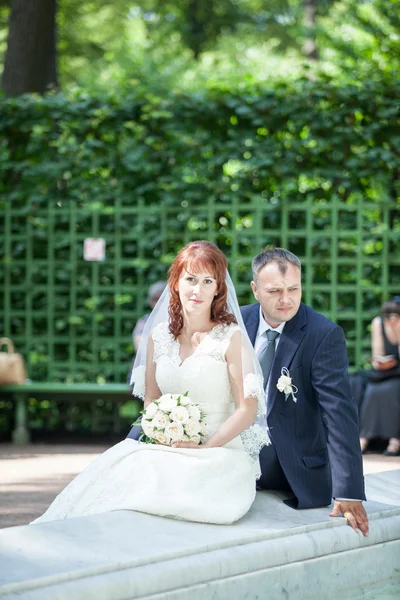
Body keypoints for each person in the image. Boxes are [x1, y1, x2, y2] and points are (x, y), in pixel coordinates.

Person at [31, 241, 269, 526]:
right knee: (114, 473)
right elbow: (151, 403)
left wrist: (205, 448)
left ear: (219, 288)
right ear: (176, 283)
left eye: (208, 281)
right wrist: (166, 436)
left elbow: (247, 408)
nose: (198, 290)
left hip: (217, 453)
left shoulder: (231, 338)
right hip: (166, 446)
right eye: (191, 279)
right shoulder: (158, 336)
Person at [241, 248, 369, 537]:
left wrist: (349, 490)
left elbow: (338, 413)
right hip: (234, 451)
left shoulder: (323, 334)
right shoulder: (236, 321)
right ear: (255, 290)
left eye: (293, 289)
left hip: (289, 466)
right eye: (274, 291)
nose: (286, 299)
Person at [359, 298, 400, 456]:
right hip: (384, 372)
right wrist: (380, 362)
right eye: (388, 315)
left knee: (392, 390)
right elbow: (378, 354)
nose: (391, 319)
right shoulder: (379, 323)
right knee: (372, 391)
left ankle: (395, 440)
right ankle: (364, 438)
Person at [132, 281, 167, 351]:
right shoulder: (144, 321)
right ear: (150, 302)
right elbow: (139, 347)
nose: (159, 302)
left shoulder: (178, 320)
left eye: (162, 299)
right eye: (156, 299)